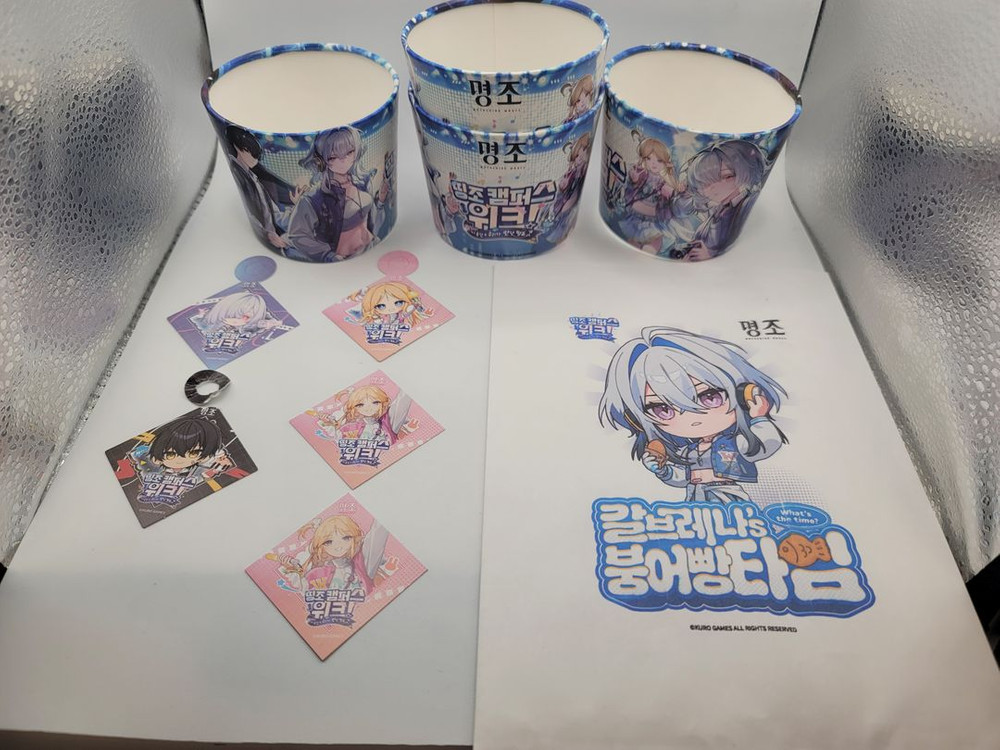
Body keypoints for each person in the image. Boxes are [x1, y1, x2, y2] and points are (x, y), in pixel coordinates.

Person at [598, 326, 787, 503]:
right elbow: (681, 477)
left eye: (709, 397)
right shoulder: (689, 451)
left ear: (741, 395)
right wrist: (663, 470)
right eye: (662, 410)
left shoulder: (733, 443)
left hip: (727, 495)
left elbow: (764, 445)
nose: (692, 417)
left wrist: (759, 417)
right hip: (694, 495)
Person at [287, 127, 389, 262]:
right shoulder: (314, 198)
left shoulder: (362, 183)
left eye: (349, 152)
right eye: (333, 157)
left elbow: (371, 221)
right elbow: (297, 235)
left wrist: (381, 201)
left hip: (374, 246)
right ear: (321, 160)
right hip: (346, 260)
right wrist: (329, 255)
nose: (343, 160)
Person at [680, 139, 767, 260]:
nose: (712, 187)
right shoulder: (716, 212)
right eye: (703, 183)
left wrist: (709, 253)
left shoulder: (746, 203)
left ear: (743, 172)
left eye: (727, 176)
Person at [223, 126, 303, 250]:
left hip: (273, 240)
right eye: (249, 151)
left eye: (256, 155)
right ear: (238, 148)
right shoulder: (239, 173)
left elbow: (274, 215)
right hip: (260, 243)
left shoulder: (254, 178)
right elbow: (257, 215)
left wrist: (298, 206)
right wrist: (267, 234)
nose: (255, 159)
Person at [620, 137, 696, 255]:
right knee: (635, 238)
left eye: (659, 160)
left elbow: (671, 198)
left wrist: (677, 190)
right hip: (637, 216)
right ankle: (630, 254)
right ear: (643, 159)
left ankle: (648, 253)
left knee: (655, 238)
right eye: (649, 158)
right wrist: (634, 179)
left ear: (665, 163)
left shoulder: (663, 182)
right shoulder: (642, 175)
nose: (653, 163)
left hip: (654, 219)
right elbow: (631, 191)